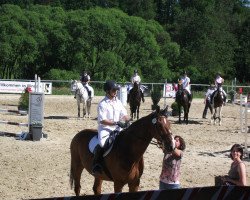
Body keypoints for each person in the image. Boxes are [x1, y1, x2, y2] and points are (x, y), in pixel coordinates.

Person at [92, 80, 130, 175]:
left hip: (118, 128)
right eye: (114, 90)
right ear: (107, 91)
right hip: (105, 129)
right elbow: (102, 120)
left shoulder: (118, 102)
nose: (116, 92)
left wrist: (127, 120)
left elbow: (124, 114)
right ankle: (97, 164)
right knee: (102, 144)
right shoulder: (102, 104)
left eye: (116, 90)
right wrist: (116, 122)